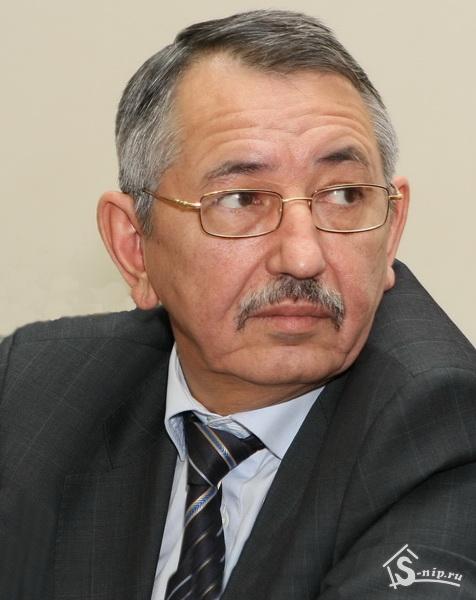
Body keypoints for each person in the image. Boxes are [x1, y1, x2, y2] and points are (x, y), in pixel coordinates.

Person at [1, 9, 475, 600]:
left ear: (392, 230)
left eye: (344, 195)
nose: (302, 256)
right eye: (242, 199)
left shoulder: (445, 427)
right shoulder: (34, 391)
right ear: (135, 247)